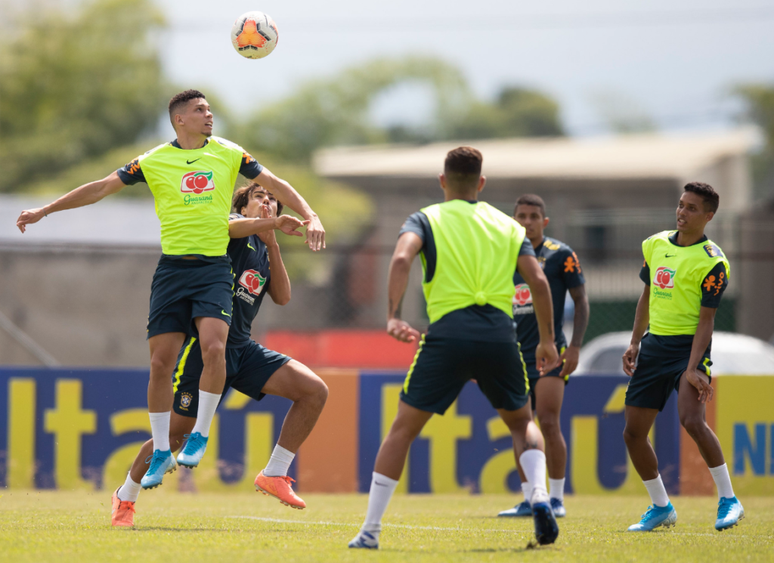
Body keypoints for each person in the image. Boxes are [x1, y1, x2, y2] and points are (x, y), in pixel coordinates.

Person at [16, 90, 326, 490]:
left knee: (219, 345)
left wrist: (310, 213)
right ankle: (151, 461)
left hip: (214, 272)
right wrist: (45, 210)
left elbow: (275, 182)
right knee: (161, 363)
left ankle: (214, 441)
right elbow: (100, 187)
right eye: (200, 110)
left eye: (210, 109)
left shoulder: (230, 153)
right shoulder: (154, 160)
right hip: (172, 271)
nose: (209, 114)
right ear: (180, 119)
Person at [348, 147, 560, 550]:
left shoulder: (425, 218)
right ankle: (537, 495)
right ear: (481, 183)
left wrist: (393, 315)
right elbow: (539, 282)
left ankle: (370, 531)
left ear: (443, 181)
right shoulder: (508, 226)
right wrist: (547, 339)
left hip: (448, 334)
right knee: (521, 423)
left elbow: (400, 258)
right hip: (500, 334)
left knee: (402, 430)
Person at [111, 184, 329, 527]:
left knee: (314, 391)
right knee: (172, 438)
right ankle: (125, 496)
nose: (268, 202)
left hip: (243, 349)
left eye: (272, 198)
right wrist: (269, 225)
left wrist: (273, 244)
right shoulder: (230, 226)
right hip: (205, 350)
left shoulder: (263, 244)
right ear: (242, 206)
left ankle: (275, 473)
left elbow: (283, 297)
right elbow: (231, 227)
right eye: (259, 197)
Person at [622, 182, 743, 532]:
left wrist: (693, 368)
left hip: (689, 347)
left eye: (692, 208)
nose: (682, 212)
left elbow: (707, 320)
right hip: (654, 346)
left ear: (709, 215)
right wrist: (634, 343)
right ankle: (661, 507)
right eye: (680, 205)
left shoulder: (714, 263)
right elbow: (647, 297)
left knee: (692, 419)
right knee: (632, 433)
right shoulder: (655, 244)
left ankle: (729, 500)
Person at [498, 194, 589, 519]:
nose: (527, 222)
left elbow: (580, 301)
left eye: (534, 216)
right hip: (512, 355)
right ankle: (529, 498)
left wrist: (575, 346)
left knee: (549, 422)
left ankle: (557, 498)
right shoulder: (501, 254)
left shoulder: (561, 254)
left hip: (551, 353)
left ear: (544, 221)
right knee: (522, 427)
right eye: (521, 215)